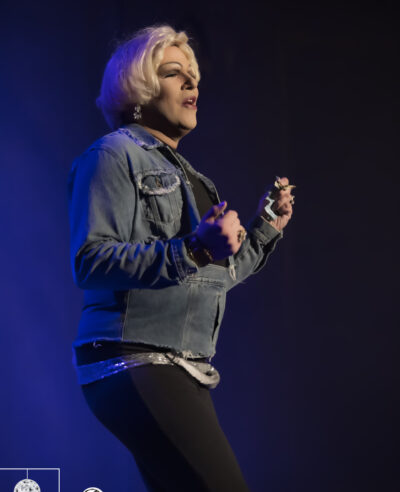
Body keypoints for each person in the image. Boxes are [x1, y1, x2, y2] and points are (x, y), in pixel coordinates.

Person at [68, 24, 294, 492]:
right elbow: (91, 261)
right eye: (175, 74)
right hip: (133, 359)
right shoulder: (113, 155)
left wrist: (264, 228)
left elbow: (213, 276)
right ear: (138, 87)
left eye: (194, 76)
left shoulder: (196, 179)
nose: (193, 83)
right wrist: (192, 247)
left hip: (182, 365)